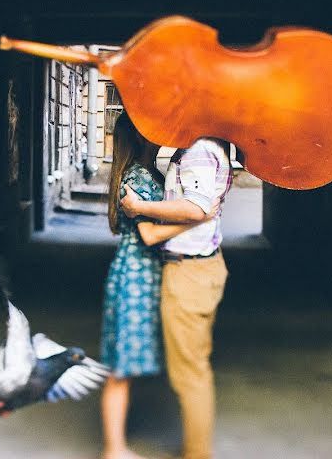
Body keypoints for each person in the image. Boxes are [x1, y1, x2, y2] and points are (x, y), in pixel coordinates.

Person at [101, 113, 215, 459]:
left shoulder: (146, 173)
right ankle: (114, 448)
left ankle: (114, 446)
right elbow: (150, 234)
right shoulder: (138, 176)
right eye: (153, 130)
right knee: (120, 369)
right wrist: (201, 216)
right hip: (136, 276)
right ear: (140, 138)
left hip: (141, 276)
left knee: (126, 366)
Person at [121, 137, 233, 459]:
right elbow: (201, 207)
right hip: (201, 267)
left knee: (189, 374)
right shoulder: (209, 146)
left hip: (188, 273)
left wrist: (140, 208)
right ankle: (197, 449)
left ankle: (197, 454)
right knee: (196, 367)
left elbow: (197, 208)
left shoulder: (198, 149)